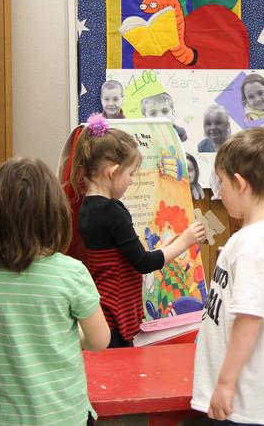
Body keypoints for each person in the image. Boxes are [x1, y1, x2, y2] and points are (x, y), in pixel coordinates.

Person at [0, 157, 110, 425]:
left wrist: (6, 330)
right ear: (55, 214)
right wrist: (55, 333)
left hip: (0, 418)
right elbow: (99, 340)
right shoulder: (71, 272)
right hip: (63, 416)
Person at [69, 113, 205, 347]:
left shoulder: (87, 207)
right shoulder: (112, 210)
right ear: (111, 172)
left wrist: (170, 244)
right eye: (130, 174)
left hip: (104, 310)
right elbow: (143, 262)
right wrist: (185, 242)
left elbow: (124, 255)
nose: (132, 181)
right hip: (115, 315)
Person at [192, 128, 264, 425]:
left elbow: (249, 318)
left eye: (221, 183)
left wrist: (225, 384)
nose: (219, 191)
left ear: (239, 183)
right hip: (250, 404)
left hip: (243, 405)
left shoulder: (253, 243)